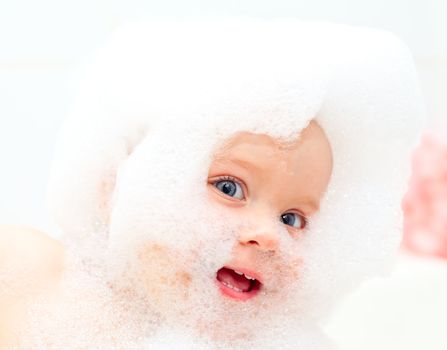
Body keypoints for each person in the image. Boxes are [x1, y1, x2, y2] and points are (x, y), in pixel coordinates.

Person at [0, 19, 424, 349]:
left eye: (292, 217)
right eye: (229, 188)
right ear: (116, 187)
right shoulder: (27, 273)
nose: (268, 234)